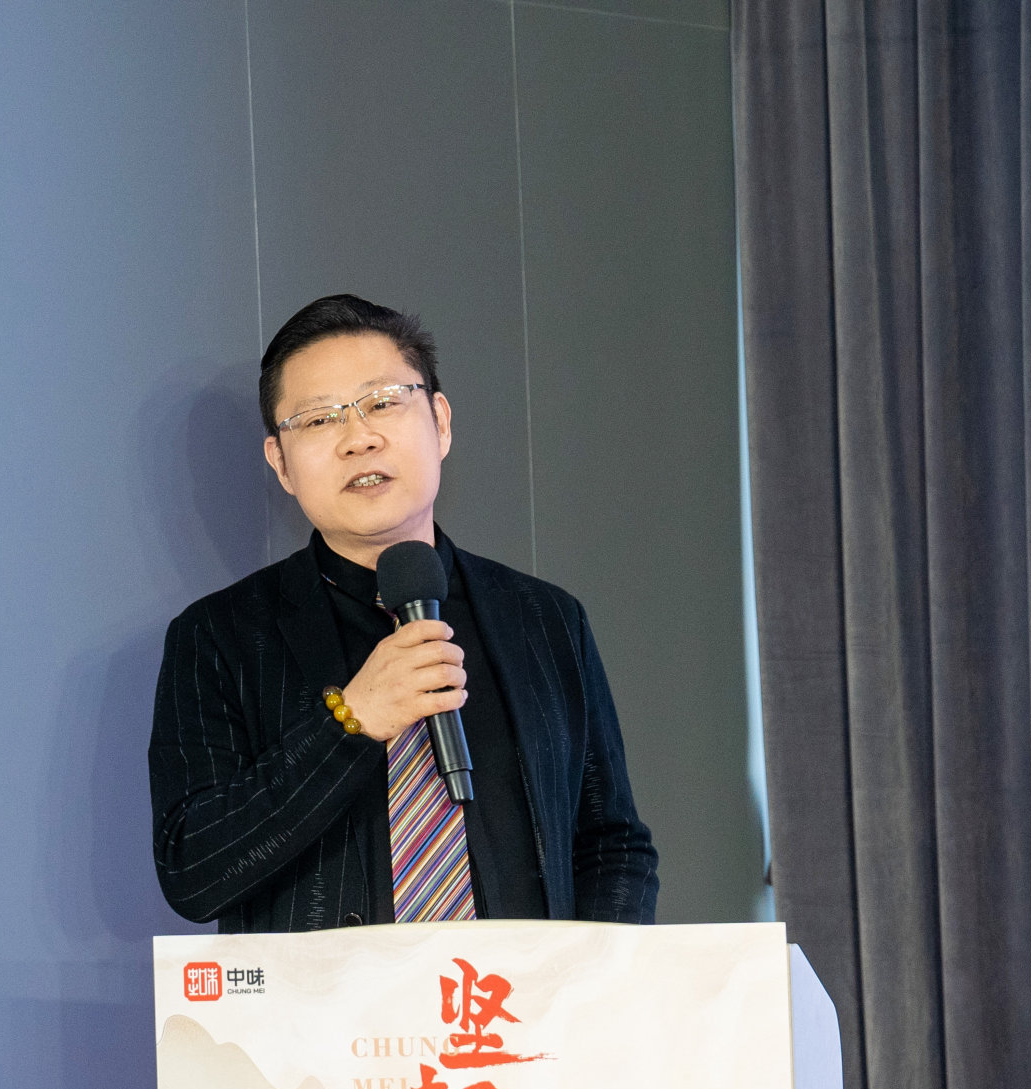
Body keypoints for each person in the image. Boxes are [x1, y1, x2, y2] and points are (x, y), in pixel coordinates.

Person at [148, 294, 658, 932]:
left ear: (440, 422)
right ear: (280, 463)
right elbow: (194, 873)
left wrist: (592, 978)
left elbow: (613, 845)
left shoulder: (545, 620)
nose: (359, 438)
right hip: (323, 1000)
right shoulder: (219, 637)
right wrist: (350, 722)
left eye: (383, 402)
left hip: (514, 998)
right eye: (319, 419)